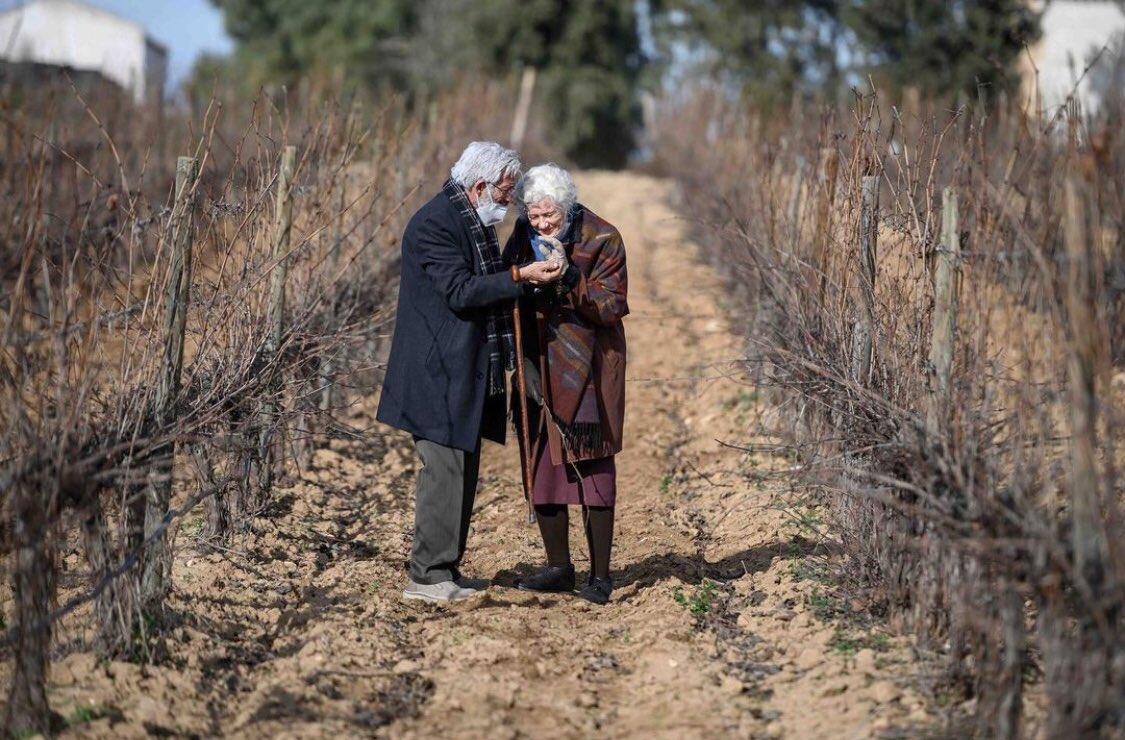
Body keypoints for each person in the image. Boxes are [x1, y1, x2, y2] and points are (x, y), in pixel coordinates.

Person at [377, 142, 565, 603]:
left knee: (461, 471)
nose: (507, 203)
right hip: (435, 374)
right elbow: (461, 292)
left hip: (463, 372)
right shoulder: (435, 225)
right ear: (479, 186)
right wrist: (521, 277)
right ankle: (427, 578)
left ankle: (445, 571)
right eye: (503, 193)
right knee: (442, 473)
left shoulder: (470, 220)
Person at [503, 164, 628, 605]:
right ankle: (558, 566)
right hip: (537, 361)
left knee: (592, 463)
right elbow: (508, 288)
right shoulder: (521, 235)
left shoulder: (604, 236)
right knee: (542, 462)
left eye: (548, 216)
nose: (540, 224)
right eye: (534, 216)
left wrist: (571, 278)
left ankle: (600, 576)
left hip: (589, 366)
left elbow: (612, 306)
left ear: (567, 206)